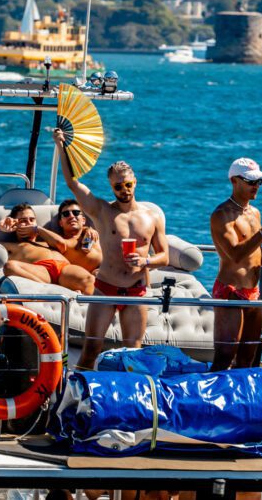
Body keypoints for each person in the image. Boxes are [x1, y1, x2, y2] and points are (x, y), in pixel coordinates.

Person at [53, 129, 169, 371]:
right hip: (105, 289)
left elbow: (164, 257)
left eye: (128, 184)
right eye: (118, 186)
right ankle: (75, 400)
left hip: (137, 291)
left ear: (135, 182)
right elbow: (72, 183)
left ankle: (131, 405)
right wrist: (61, 146)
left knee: (133, 356)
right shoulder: (103, 212)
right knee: (90, 352)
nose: (124, 190)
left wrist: (145, 262)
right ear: (111, 187)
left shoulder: (153, 216)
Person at [210, 158, 262, 371]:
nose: (256, 187)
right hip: (231, 291)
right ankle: (212, 403)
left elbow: (252, 252)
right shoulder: (221, 215)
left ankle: (240, 403)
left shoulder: (254, 212)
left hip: (253, 292)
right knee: (224, 358)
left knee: (249, 359)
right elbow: (235, 255)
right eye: (251, 181)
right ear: (235, 181)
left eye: (259, 182)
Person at [0, 201, 99, 294]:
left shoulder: (46, 239)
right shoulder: (12, 246)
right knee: (10, 267)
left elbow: (65, 242)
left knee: (88, 280)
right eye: (23, 221)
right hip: (41, 271)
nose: (28, 223)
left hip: (63, 267)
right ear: (15, 225)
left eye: (32, 220)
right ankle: (58, 291)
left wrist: (88, 229)